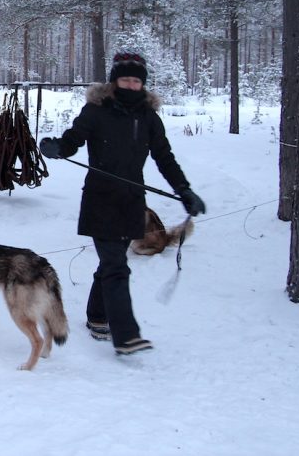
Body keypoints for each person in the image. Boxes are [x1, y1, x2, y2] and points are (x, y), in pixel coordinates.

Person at [38, 51, 205, 355]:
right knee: (117, 265)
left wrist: (185, 190)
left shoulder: (149, 118)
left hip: (132, 201)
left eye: (136, 80)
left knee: (112, 262)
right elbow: (74, 140)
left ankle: (97, 316)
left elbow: (164, 157)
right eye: (125, 79)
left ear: (143, 84)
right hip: (100, 199)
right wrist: (57, 147)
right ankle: (126, 335)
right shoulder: (96, 110)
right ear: (114, 81)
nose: (130, 85)